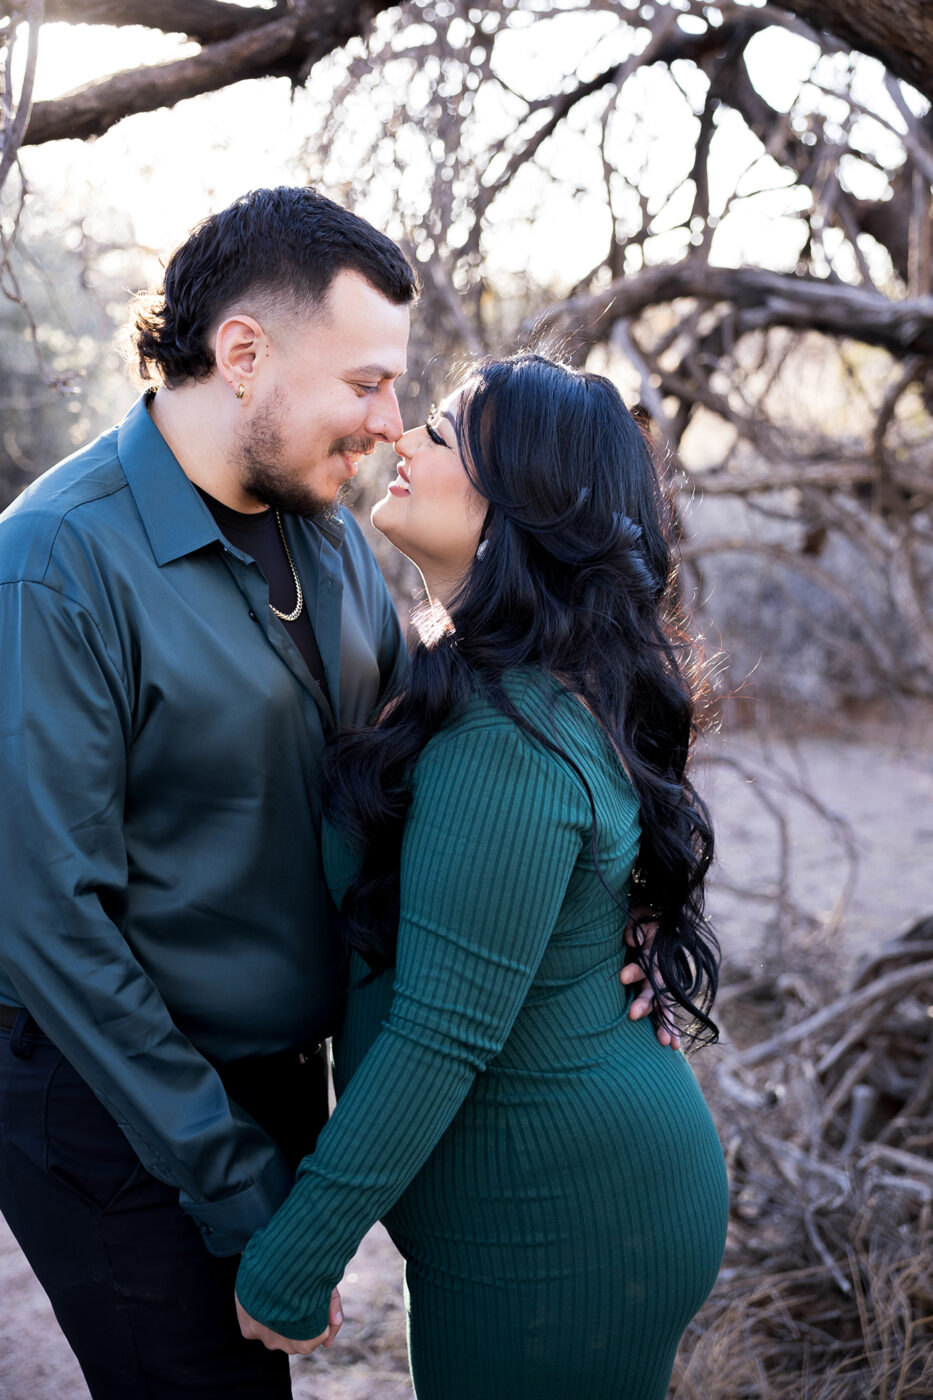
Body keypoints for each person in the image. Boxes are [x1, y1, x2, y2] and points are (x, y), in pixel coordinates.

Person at [234, 352, 731, 1399]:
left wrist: (299, 1251)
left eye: (447, 434)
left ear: (520, 512)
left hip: (560, 1233)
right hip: (560, 1204)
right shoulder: (491, 677)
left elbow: (438, 1032)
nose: (403, 436)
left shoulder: (508, 734)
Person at [0, 186, 416, 1399]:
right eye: (366, 381)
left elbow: (416, 758)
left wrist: (632, 895)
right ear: (243, 354)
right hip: (111, 1106)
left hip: (278, 1082)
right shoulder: (51, 563)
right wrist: (237, 1181)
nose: (390, 421)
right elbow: (49, 926)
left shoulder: (326, 531)